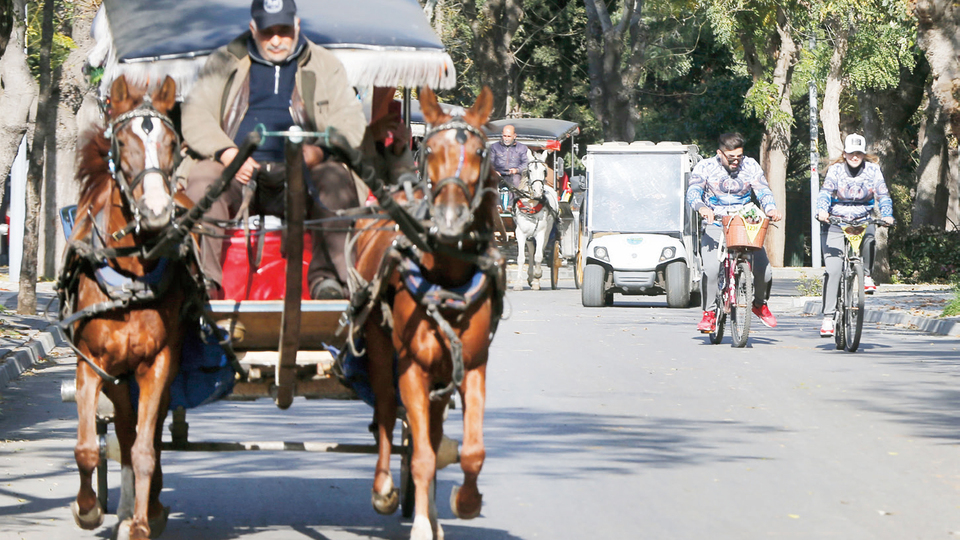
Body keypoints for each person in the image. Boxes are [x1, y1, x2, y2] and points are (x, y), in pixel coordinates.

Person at [180, 0, 366, 300]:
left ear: (297, 27)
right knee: (203, 179)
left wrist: (318, 152)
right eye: (268, 32)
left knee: (335, 179)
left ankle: (329, 282)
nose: (276, 40)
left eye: (284, 30)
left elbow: (350, 120)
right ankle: (204, 281)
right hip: (238, 173)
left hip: (304, 174)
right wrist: (227, 154)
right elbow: (195, 113)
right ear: (253, 29)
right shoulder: (224, 61)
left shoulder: (325, 65)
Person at [686, 132, 783, 333]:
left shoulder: (750, 165)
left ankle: (759, 304)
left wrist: (771, 208)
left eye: (739, 156)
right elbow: (693, 191)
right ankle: (709, 313)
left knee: (764, 271)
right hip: (715, 223)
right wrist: (702, 208)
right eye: (731, 158)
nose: (736, 161)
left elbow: (763, 190)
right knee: (711, 269)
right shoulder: (705, 166)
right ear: (719, 153)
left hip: (745, 223)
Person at [816, 133, 894, 337]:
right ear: (845, 154)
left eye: (858, 153)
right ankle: (828, 317)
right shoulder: (835, 170)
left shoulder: (873, 170)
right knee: (833, 270)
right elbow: (825, 192)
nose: (855, 157)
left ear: (863, 154)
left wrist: (887, 214)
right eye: (851, 153)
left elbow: (883, 195)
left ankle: (865, 274)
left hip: (861, 219)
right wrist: (822, 211)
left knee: (870, 235)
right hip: (835, 221)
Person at [488, 124, 529, 206]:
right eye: (504, 136)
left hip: (514, 175)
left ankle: (514, 205)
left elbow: (526, 163)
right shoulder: (494, 147)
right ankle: (496, 206)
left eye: (509, 136)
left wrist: (517, 170)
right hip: (499, 174)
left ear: (514, 136)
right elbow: (489, 162)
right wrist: (494, 171)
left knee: (517, 182)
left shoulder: (522, 148)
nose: (506, 138)